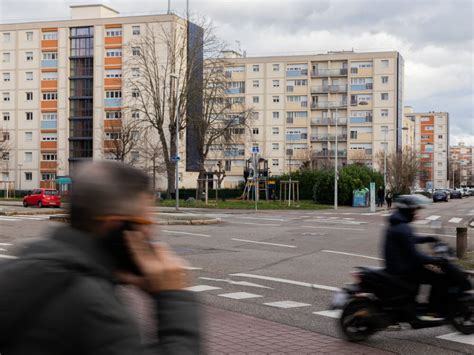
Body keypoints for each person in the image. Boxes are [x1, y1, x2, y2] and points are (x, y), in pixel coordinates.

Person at [0, 161, 202, 354]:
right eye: (145, 223)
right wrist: (173, 295)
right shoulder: (96, 309)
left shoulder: (28, 264)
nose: (151, 232)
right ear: (116, 226)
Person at [384, 194, 446, 315]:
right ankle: (433, 310)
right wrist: (436, 260)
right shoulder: (402, 227)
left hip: (398, 265)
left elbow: (410, 239)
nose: (416, 213)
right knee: (437, 276)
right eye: (414, 210)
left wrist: (428, 238)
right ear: (408, 211)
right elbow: (415, 256)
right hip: (402, 268)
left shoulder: (398, 223)